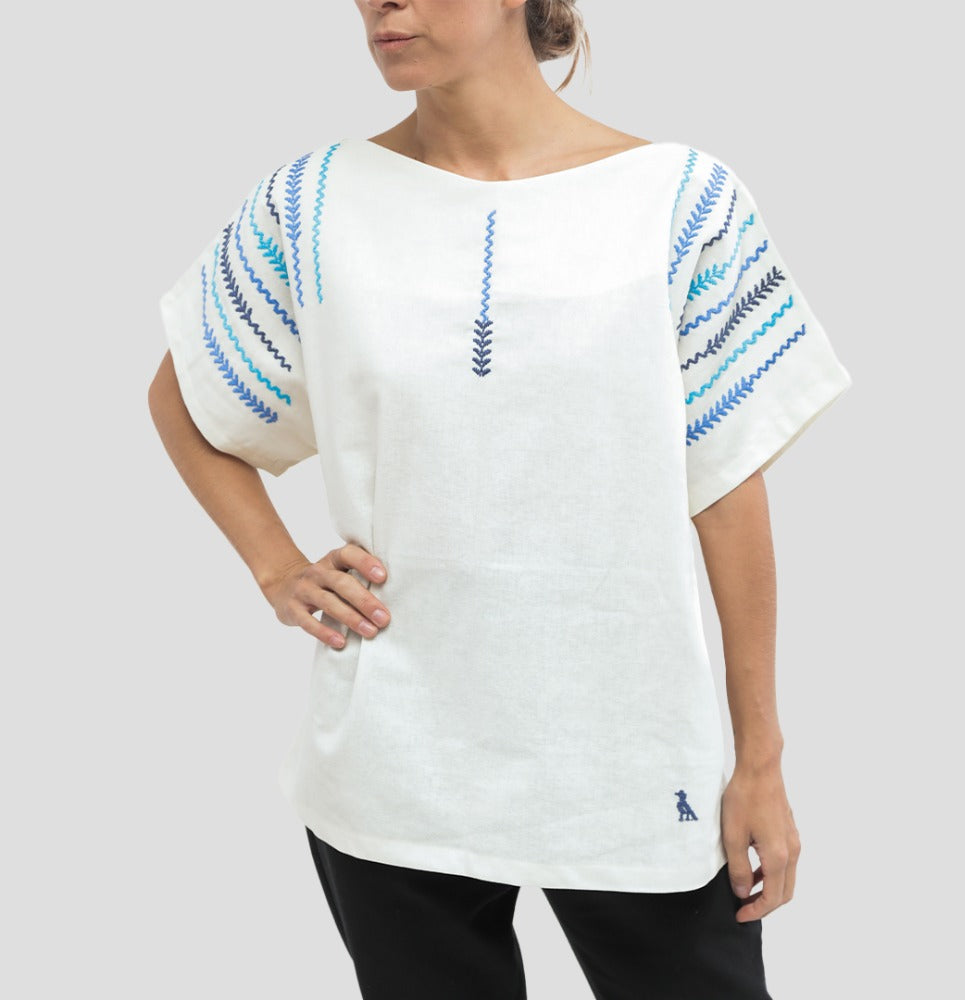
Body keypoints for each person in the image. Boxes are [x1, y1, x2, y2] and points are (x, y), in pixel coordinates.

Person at [147, 1, 852, 997]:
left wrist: (761, 761)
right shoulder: (311, 204)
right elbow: (182, 396)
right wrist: (275, 564)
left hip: (632, 765)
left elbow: (728, 491)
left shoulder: (680, 202)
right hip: (393, 767)